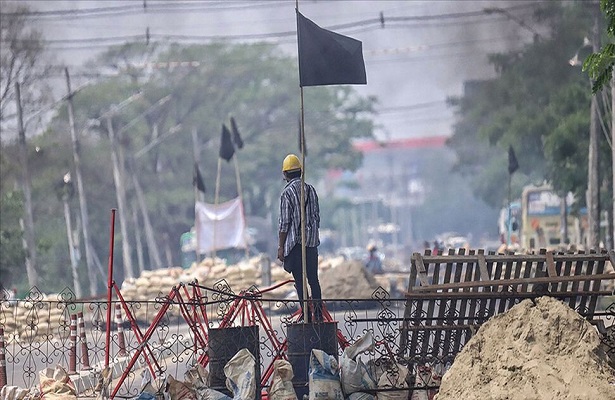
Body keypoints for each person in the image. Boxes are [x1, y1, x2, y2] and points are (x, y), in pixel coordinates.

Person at [277, 154, 323, 322]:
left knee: (300, 281)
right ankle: (318, 315)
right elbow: (316, 217)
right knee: (313, 280)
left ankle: (306, 316)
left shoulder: (286, 194)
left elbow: (284, 223)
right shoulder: (311, 190)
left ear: (285, 174)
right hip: (311, 244)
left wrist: (281, 247)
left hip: (295, 245)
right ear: (300, 172)